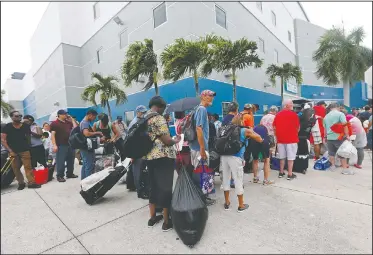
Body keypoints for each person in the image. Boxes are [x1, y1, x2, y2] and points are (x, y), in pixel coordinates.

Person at [143, 96, 181, 231]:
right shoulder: (158, 118)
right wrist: (175, 140)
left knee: (153, 186)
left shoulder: (143, 118)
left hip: (149, 157)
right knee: (165, 188)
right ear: (160, 106)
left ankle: (152, 218)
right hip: (163, 157)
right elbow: (166, 140)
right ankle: (166, 222)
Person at [220, 114, 263, 212]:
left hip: (224, 156)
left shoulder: (226, 129)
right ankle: (241, 205)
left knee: (226, 179)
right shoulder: (244, 130)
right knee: (238, 179)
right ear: (242, 121)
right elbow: (259, 138)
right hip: (236, 157)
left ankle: (227, 203)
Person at [1, 111, 41, 189]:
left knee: (28, 167)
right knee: (15, 168)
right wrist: (10, 151)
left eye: (20, 116)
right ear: (11, 117)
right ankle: (21, 183)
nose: (19, 117)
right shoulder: (7, 127)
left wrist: (28, 146)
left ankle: (31, 183)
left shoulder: (25, 126)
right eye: (16, 116)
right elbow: (3, 140)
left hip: (25, 150)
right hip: (13, 151)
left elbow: (28, 137)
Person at [189, 90, 216, 205]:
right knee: (202, 173)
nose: (211, 98)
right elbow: (199, 128)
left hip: (196, 147)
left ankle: (202, 197)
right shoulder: (202, 109)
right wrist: (202, 148)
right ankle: (202, 199)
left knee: (201, 172)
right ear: (203, 96)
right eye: (209, 96)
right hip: (199, 148)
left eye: (212, 96)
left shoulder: (196, 109)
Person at [273, 99, 300, 180]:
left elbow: (274, 127)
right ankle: (290, 174)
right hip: (291, 139)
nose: (292, 105)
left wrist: (277, 135)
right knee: (290, 158)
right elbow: (298, 128)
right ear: (286, 105)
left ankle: (281, 172)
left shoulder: (278, 115)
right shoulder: (294, 115)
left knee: (282, 157)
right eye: (291, 104)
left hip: (281, 140)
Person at [50, 110, 79, 182]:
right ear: (59, 115)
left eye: (66, 114)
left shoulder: (68, 123)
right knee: (61, 161)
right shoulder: (54, 123)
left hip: (70, 144)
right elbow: (53, 135)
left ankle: (70, 173)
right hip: (61, 145)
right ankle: (60, 176)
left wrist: (72, 119)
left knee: (71, 160)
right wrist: (54, 145)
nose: (66, 115)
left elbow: (75, 128)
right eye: (64, 114)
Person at [323, 103, 351, 174]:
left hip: (329, 137)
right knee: (342, 153)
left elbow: (325, 129)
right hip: (339, 137)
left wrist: (325, 137)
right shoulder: (340, 114)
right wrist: (347, 135)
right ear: (337, 107)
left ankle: (332, 166)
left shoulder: (326, 116)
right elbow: (345, 125)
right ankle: (345, 169)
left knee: (331, 153)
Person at [80, 109, 102, 179]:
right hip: (86, 148)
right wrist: (97, 132)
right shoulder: (85, 122)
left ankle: (83, 182)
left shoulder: (85, 122)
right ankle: (88, 183)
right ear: (90, 115)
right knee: (89, 166)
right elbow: (86, 134)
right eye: (94, 117)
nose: (94, 119)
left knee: (85, 165)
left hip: (85, 147)